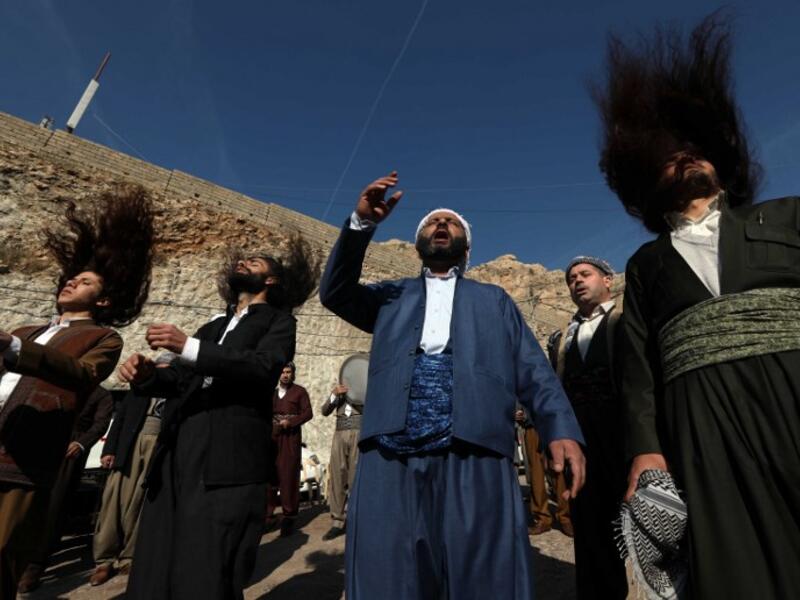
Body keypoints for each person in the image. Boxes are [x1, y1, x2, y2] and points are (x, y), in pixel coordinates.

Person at [594, 14, 800, 598]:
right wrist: (645, 450)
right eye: (667, 154)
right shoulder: (646, 264)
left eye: (696, 147)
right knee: (732, 562)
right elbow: (638, 370)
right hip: (702, 427)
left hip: (794, 393)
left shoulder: (787, 216)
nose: (685, 156)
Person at [319, 171, 585, 599]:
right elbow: (334, 292)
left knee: (482, 571)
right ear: (418, 243)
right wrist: (361, 224)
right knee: (390, 570)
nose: (441, 226)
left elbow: (533, 369)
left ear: (466, 245)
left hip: (474, 443)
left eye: (452, 223)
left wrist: (561, 429)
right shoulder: (390, 297)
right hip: (390, 443)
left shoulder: (494, 300)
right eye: (431, 222)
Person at [119, 234, 320, 600]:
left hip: (228, 454)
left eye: (255, 263)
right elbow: (180, 380)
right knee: (158, 552)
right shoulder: (212, 327)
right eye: (242, 261)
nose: (243, 263)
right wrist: (147, 376)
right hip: (179, 445)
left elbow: (263, 367)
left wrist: (189, 347)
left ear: (270, 281)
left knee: (207, 560)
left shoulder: (279, 322)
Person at [0, 186, 154, 599]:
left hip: (23, 459)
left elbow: (82, 374)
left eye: (84, 282)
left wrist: (13, 349)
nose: (71, 282)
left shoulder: (102, 338)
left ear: (101, 299)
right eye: (71, 277)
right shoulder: (26, 331)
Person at [548, 257, 627, 600]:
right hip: (581, 442)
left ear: (608, 281)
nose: (577, 282)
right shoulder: (562, 335)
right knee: (591, 527)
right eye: (571, 279)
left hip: (623, 436)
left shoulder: (628, 320)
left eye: (585, 274)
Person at [88, 352, 176, 587]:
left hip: (156, 447)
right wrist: (110, 450)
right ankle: (104, 560)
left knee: (140, 501)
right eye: (162, 368)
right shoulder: (138, 389)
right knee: (114, 500)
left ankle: (130, 555)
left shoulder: (176, 392)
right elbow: (120, 419)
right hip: (130, 445)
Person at [17, 386, 113, 592]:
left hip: (69, 453)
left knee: (54, 507)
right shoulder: (60, 383)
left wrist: (81, 443)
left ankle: (35, 565)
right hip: (42, 445)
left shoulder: (101, 394)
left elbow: (101, 423)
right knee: (26, 502)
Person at [265, 362, 312, 537]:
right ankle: (268, 517)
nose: (285, 375)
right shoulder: (273, 393)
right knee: (270, 477)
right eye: (282, 372)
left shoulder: (299, 392)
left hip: (290, 438)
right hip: (273, 437)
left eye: (288, 372)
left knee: (288, 477)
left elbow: (308, 413)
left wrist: (290, 422)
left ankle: (289, 517)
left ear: (293, 374)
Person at [515, 408, 571, 537]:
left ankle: (566, 518)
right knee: (536, 474)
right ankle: (542, 519)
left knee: (558, 471)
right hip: (531, 426)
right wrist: (522, 413)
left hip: (552, 424)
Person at [320, 382, 362, 541]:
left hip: (358, 432)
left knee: (355, 478)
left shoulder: (366, 389)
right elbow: (324, 411)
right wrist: (334, 394)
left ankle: (357, 520)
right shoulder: (339, 393)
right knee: (338, 477)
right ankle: (337, 522)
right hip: (340, 433)